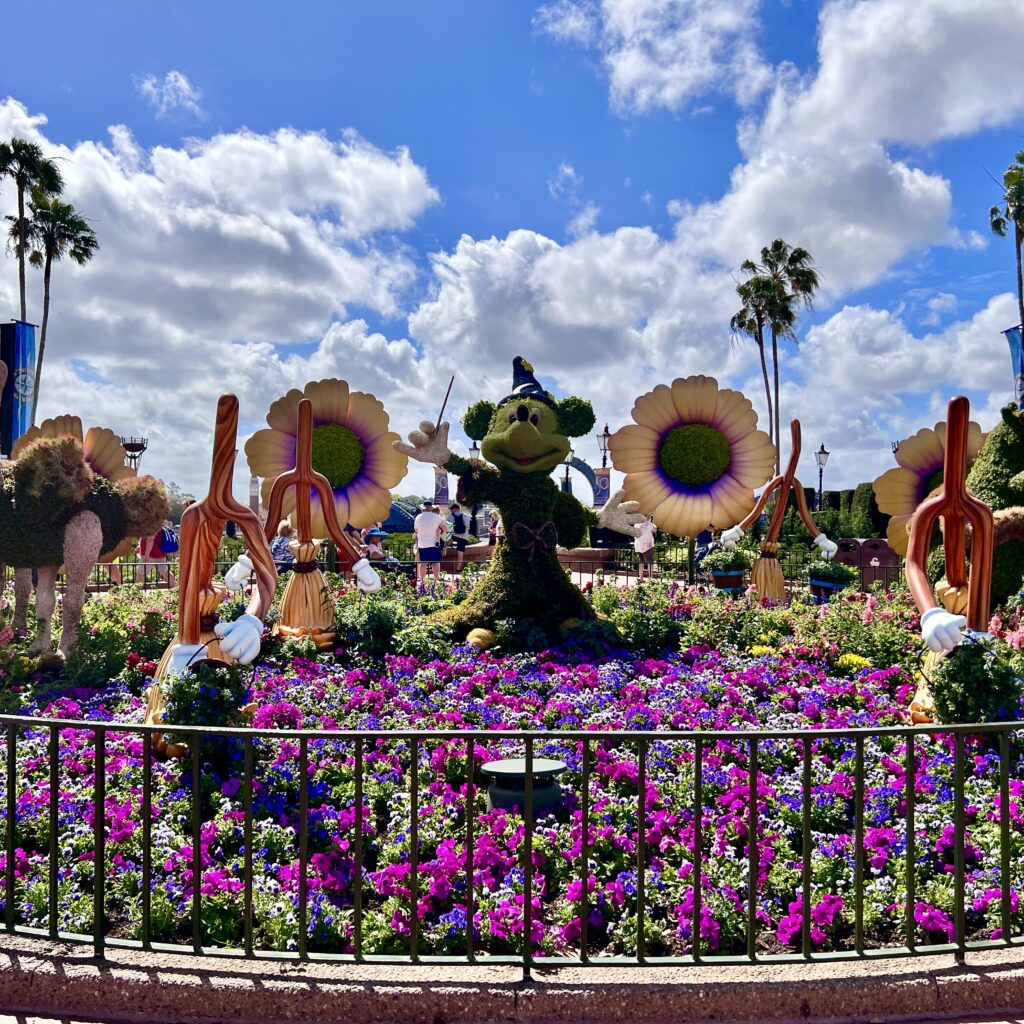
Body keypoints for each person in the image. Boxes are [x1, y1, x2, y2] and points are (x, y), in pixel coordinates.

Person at [137, 521, 177, 587]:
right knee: (165, 573)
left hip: (150, 554)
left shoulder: (151, 523)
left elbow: (150, 539)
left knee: (141, 574)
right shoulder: (159, 523)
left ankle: (136, 592)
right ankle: (175, 588)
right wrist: (140, 546)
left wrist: (147, 554)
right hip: (160, 553)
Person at [414, 499, 445, 583]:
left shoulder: (418, 517)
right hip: (434, 543)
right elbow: (445, 529)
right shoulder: (437, 517)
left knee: (423, 563)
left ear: (423, 508)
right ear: (431, 508)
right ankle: (437, 579)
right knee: (435, 563)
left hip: (422, 544)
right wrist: (438, 533)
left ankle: (422, 580)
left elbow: (416, 530)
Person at [634, 514, 657, 581]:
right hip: (647, 545)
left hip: (638, 545)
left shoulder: (636, 522)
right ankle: (650, 578)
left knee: (641, 561)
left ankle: (640, 578)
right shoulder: (647, 522)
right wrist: (654, 523)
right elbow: (654, 530)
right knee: (650, 562)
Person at [448, 502, 470, 570]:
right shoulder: (466, 516)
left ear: (455, 509)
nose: (451, 510)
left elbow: (448, 528)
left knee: (445, 539)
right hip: (463, 537)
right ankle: (458, 569)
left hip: (454, 536)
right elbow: (467, 527)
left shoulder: (451, 517)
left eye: (451, 509)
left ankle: (446, 548)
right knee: (460, 553)